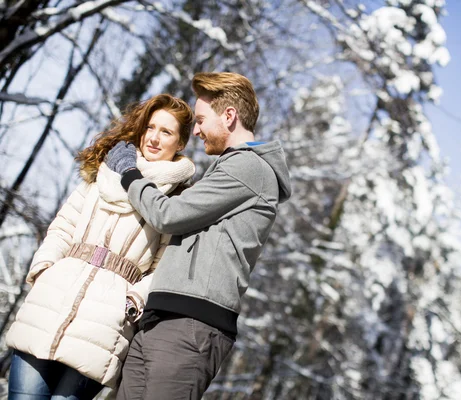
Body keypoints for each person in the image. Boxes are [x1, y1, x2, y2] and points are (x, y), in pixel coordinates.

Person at [104, 72, 292, 400]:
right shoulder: (229, 167)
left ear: (229, 116)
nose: (197, 130)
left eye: (202, 119)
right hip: (163, 316)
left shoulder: (249, 168)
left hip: (191, 324)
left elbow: (169, 215)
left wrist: (130, 174)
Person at [5, 94, 197, 400]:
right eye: (151, 127)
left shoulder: (176, 201)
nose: (155, 138)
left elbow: (165, 267)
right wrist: (45, 270)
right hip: (52, 300)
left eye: (167, 132)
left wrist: (132, 301)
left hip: (107, 323)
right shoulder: (103, 173)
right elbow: (62, 227)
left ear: (181, 143)